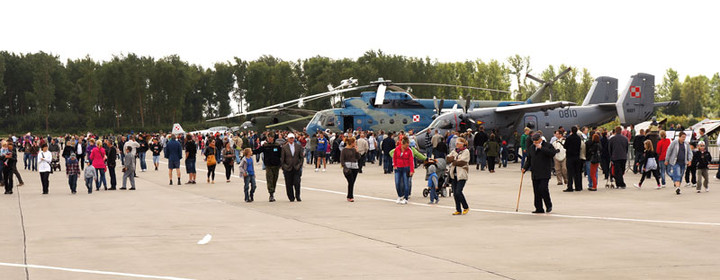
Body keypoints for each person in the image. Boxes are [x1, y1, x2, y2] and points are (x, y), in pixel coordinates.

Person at [522, 132, 556, 214]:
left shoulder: (547, 145)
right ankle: (539, 208)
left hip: (544, 171)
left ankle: (548, 205)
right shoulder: (531, 147)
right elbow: (529, 159)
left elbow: (552, 153)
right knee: (536, 191)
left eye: (536, 141)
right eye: (534, 141)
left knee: (543, 188)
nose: (535, 143)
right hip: (535, 172)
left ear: (540, 139)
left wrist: (541, 148)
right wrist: (525, 168)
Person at [255, 132, 282, 202]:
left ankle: (273, 192)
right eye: (268, 137)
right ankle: (271, 194)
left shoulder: (277, 146)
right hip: (268, 165)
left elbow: (281, 155)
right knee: (269, 179)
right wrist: (249, 151)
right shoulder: (265, 146)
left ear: (273, 138)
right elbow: (258, 151)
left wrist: (281, 164)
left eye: (271, 137)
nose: (269, 139)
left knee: (274, 180)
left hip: (276, 165)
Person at [447, 137, 470, 215]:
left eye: (458, 143)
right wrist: (454, 160)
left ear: (462, 144)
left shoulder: (466, 151)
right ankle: (458, 209)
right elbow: (448, 158)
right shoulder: (454, 151)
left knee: (458, 192)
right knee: (455, 193)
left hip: (462, 175)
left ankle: (466, 206)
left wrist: (454, 161)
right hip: (454, 175)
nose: (456, 144)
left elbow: (463, 162)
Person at [281, 133, 304, 202]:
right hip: (288, 168)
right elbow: (282, 159)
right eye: (290, 138)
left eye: (292, 138)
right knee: (288, 184)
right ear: (287, 139)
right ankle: (291, 197)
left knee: (297, 183)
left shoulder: (298, 146)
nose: (291, 139)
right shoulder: (284, 147)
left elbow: (301, 157)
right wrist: (284, 166)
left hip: (296, 167)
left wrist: (299, 165)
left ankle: (298, 196)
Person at [340, 136, 360, 202]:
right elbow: (342, 160)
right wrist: (344, 167)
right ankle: (350, 196)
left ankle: (349, 196)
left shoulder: (354, 149)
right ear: (351, 143)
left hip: (355, 167)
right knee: (350, 181)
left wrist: (357, 151)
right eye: (354, 142)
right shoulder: (344, 150)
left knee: (352, 182)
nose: (355, 144)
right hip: (348, 168)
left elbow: (358, 157)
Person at [564, 126, 583, 192]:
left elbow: (565, 146)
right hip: (577, 156)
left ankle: (570, 187)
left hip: (570, 157)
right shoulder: (578, 138)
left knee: (570, 173)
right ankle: (578, 187)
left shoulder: (569, 138)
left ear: (571, 131)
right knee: (577, 172)